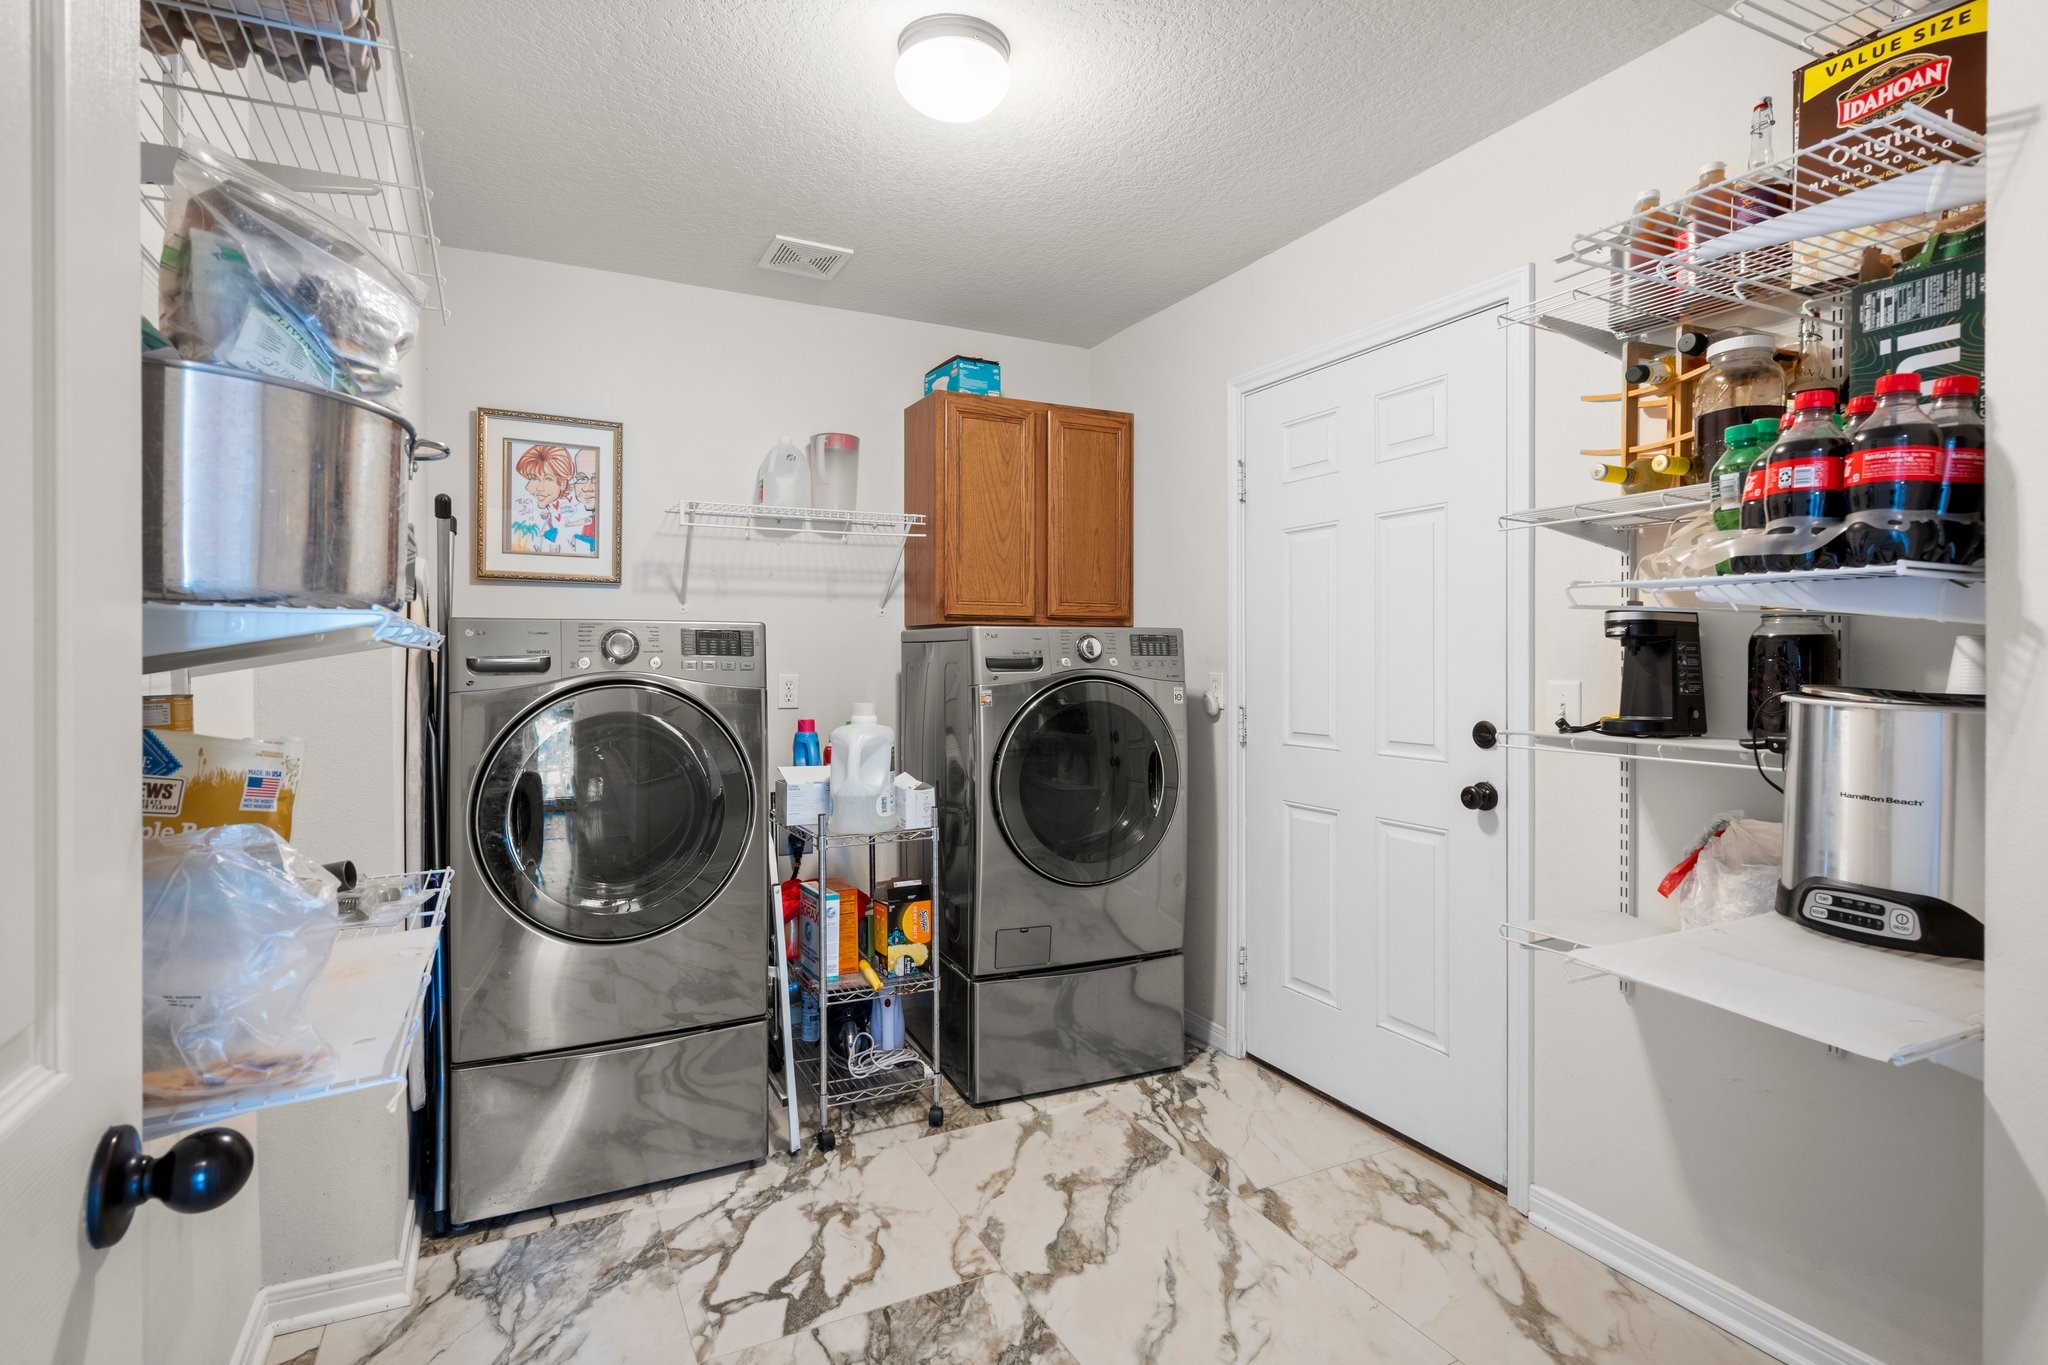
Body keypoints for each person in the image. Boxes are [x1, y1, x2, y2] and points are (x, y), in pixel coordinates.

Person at [513, 443, 577, 552]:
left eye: (548, 479)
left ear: (562, 483)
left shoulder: (570, 512)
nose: (540, 488)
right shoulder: (531, 512)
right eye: (533, 478)